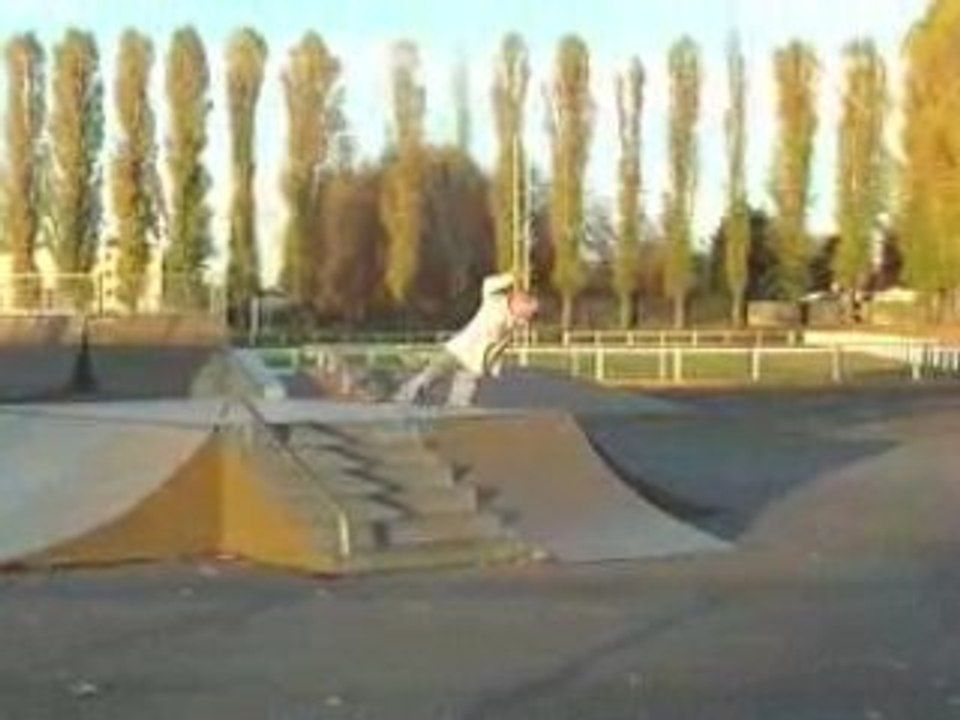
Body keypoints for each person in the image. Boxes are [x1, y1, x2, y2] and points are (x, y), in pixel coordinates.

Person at [393, 273, 538, 407]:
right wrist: (511, 277)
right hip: (457, 350)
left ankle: (454, 417)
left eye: (530, 313)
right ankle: (401, 400)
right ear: (517, 300)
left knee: (462, 399)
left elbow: (499, 346)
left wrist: (492, 367)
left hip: (473, 364)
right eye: (527, 309)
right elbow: (489, 283)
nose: (528, 314)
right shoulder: (494, 300)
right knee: (428, 377)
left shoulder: (514, 324)